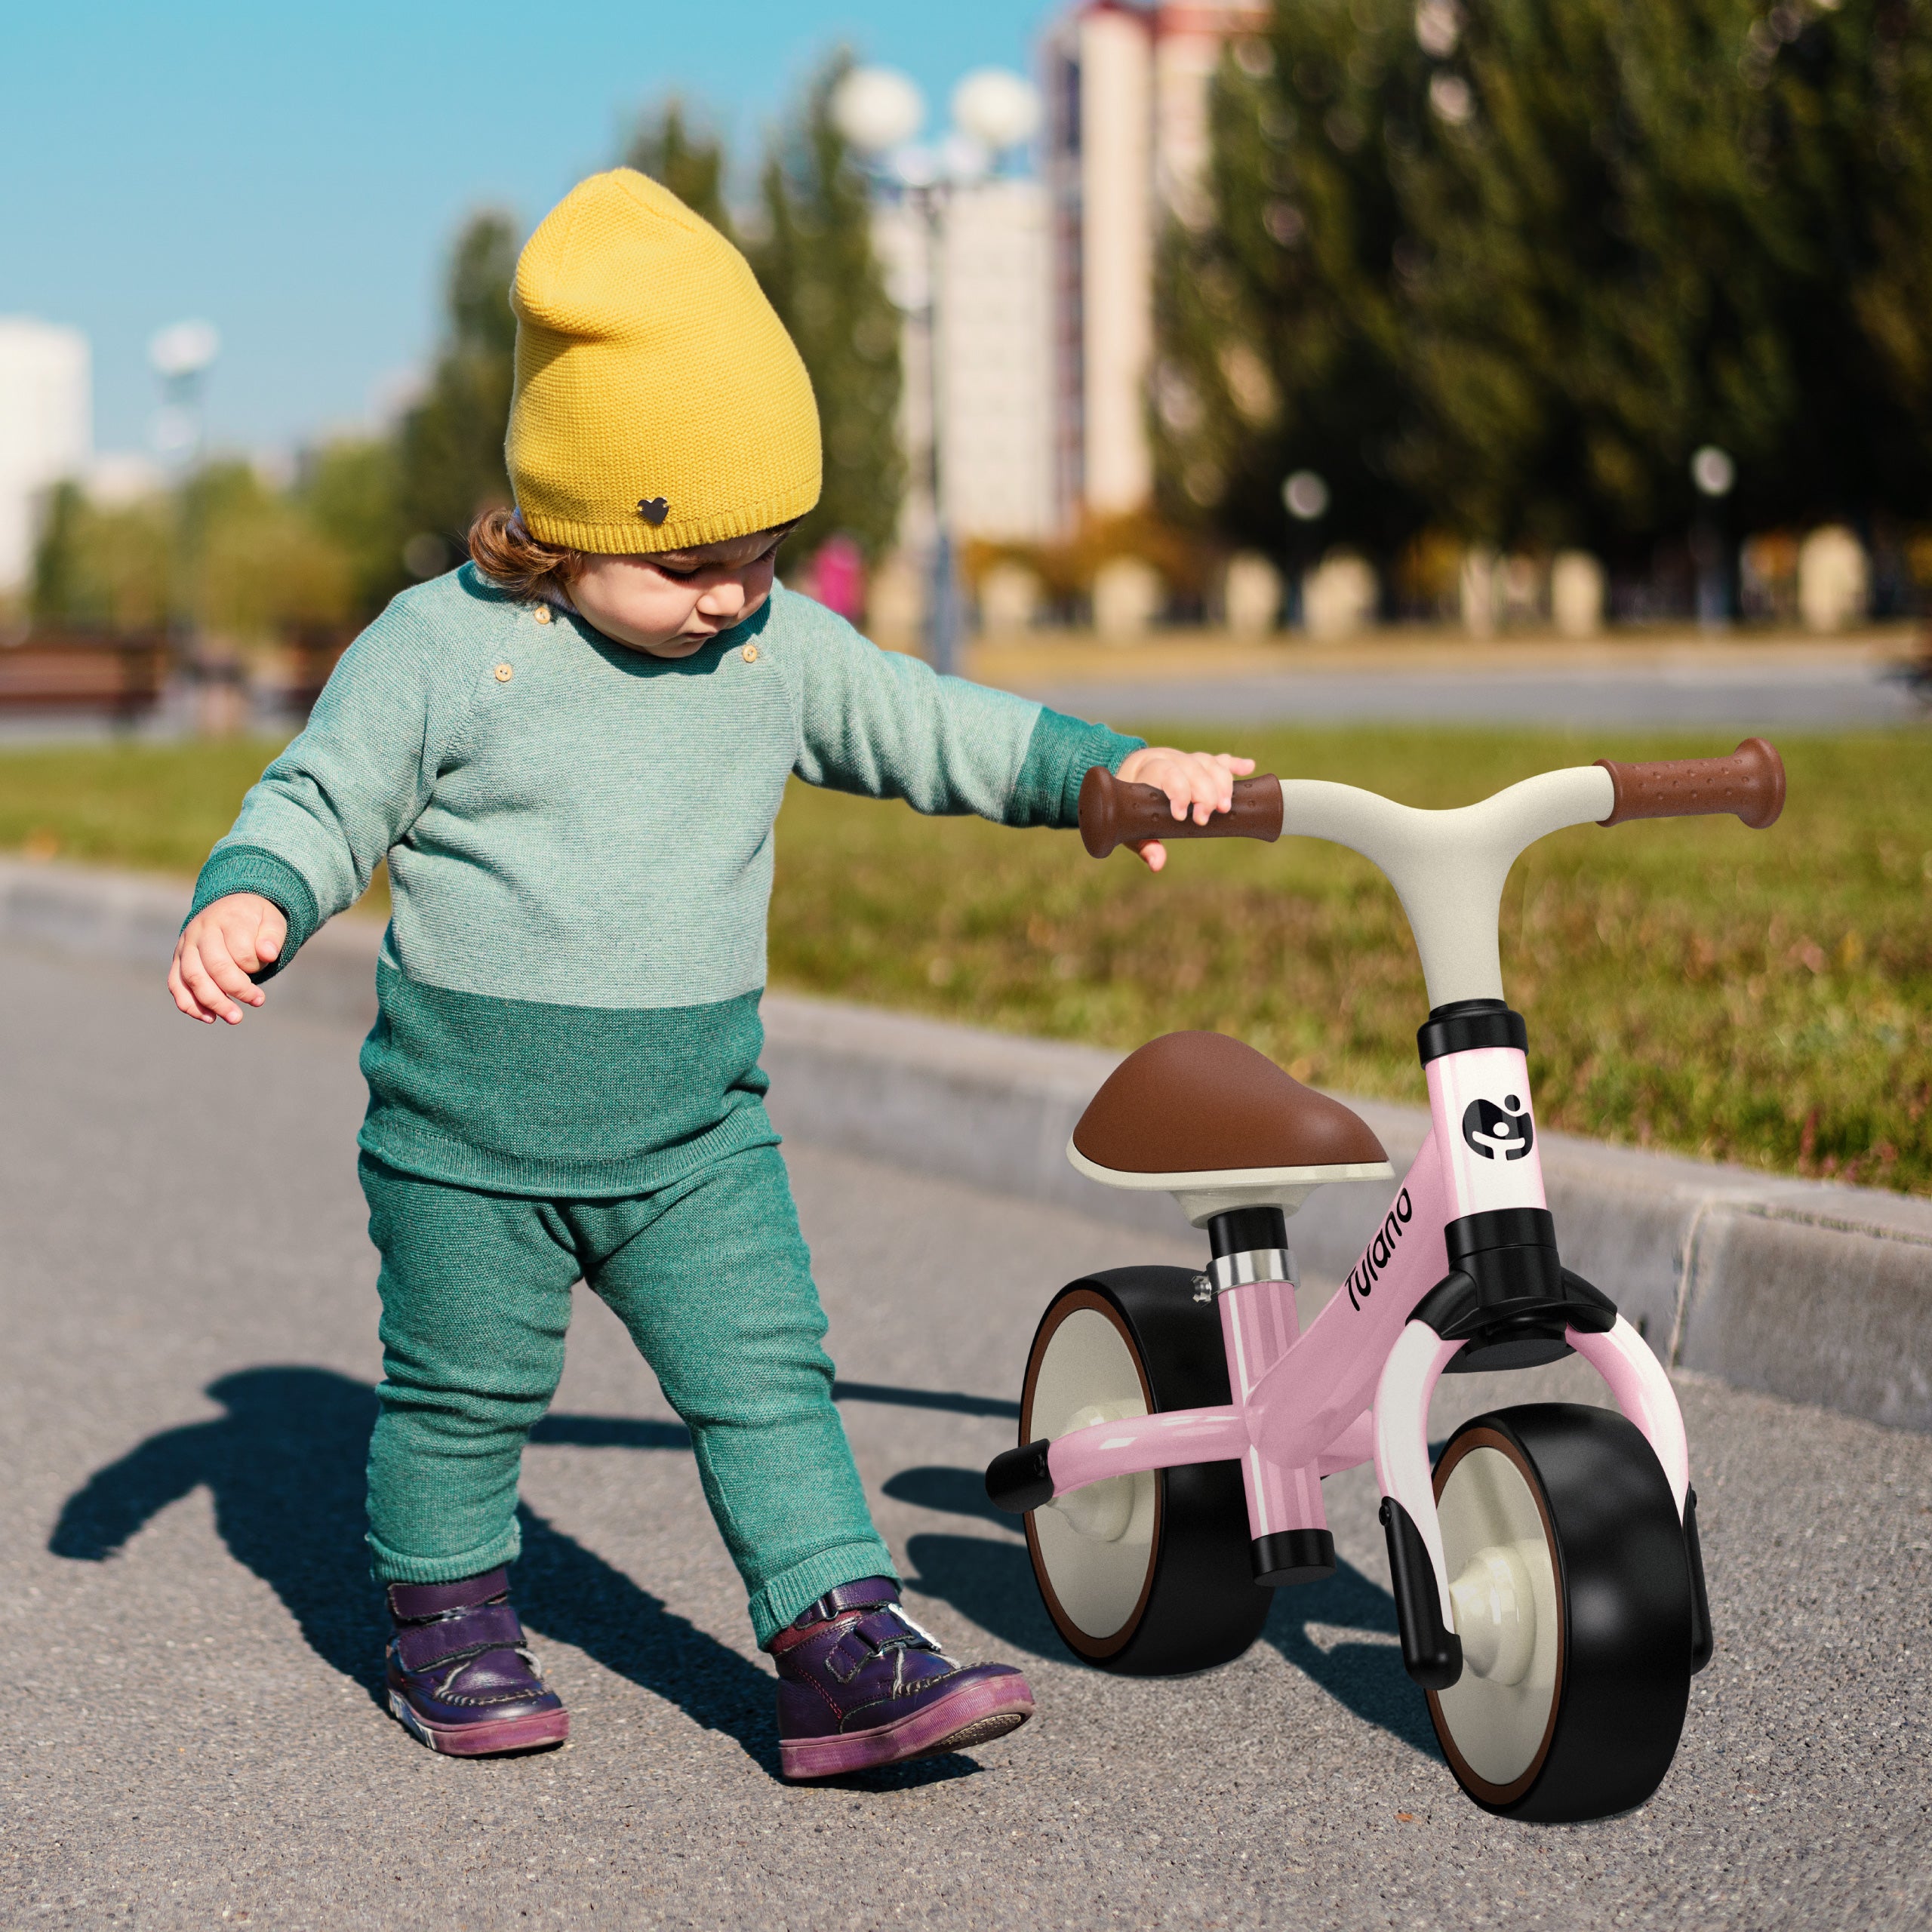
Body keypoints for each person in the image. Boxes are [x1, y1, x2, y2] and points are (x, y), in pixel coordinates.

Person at [168, 169, 1251, 1778]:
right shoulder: (444, 645)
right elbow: (323, 794)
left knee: (766, 1373)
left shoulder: (766, 649)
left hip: (693, 1138)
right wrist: (254, 896)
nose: (734, 594)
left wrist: (1101, 773)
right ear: (573, 515)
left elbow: (929, 723)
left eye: (766, 553)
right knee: (465, 1397)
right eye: (697, 564)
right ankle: (447, 1621)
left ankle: (835, 1638)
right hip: (467, 1146)